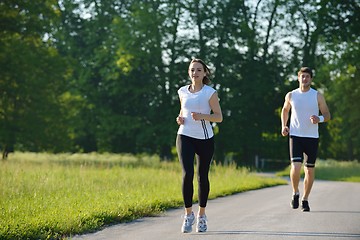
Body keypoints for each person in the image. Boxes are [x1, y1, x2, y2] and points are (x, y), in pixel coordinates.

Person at [176, 58, 223, 233]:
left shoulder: (209, 93)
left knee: (202, 176)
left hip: (205, 138)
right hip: (185, 136)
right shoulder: (182, 91)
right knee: (187, 174)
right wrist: (180, 118)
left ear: (204, 73)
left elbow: (219, 117)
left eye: (198, 70)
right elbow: (183, 111)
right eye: (192, 70)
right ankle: (189, 214)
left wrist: (203, 116)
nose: (194, 73)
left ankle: (201, 216)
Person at [281, 67, 331, 212]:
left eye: (307, 76)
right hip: (295, 135)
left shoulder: (317, 96)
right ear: (298, 78)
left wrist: (319, 118)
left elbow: (327, 114)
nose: (305, 79)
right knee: (295, 167)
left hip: (312, 137)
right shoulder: (291, 95)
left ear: (311, 79)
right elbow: (285, 110)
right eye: (302, 76)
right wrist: (284, 125)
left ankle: (305, 199)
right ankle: (295, 192)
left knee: (309, 170)